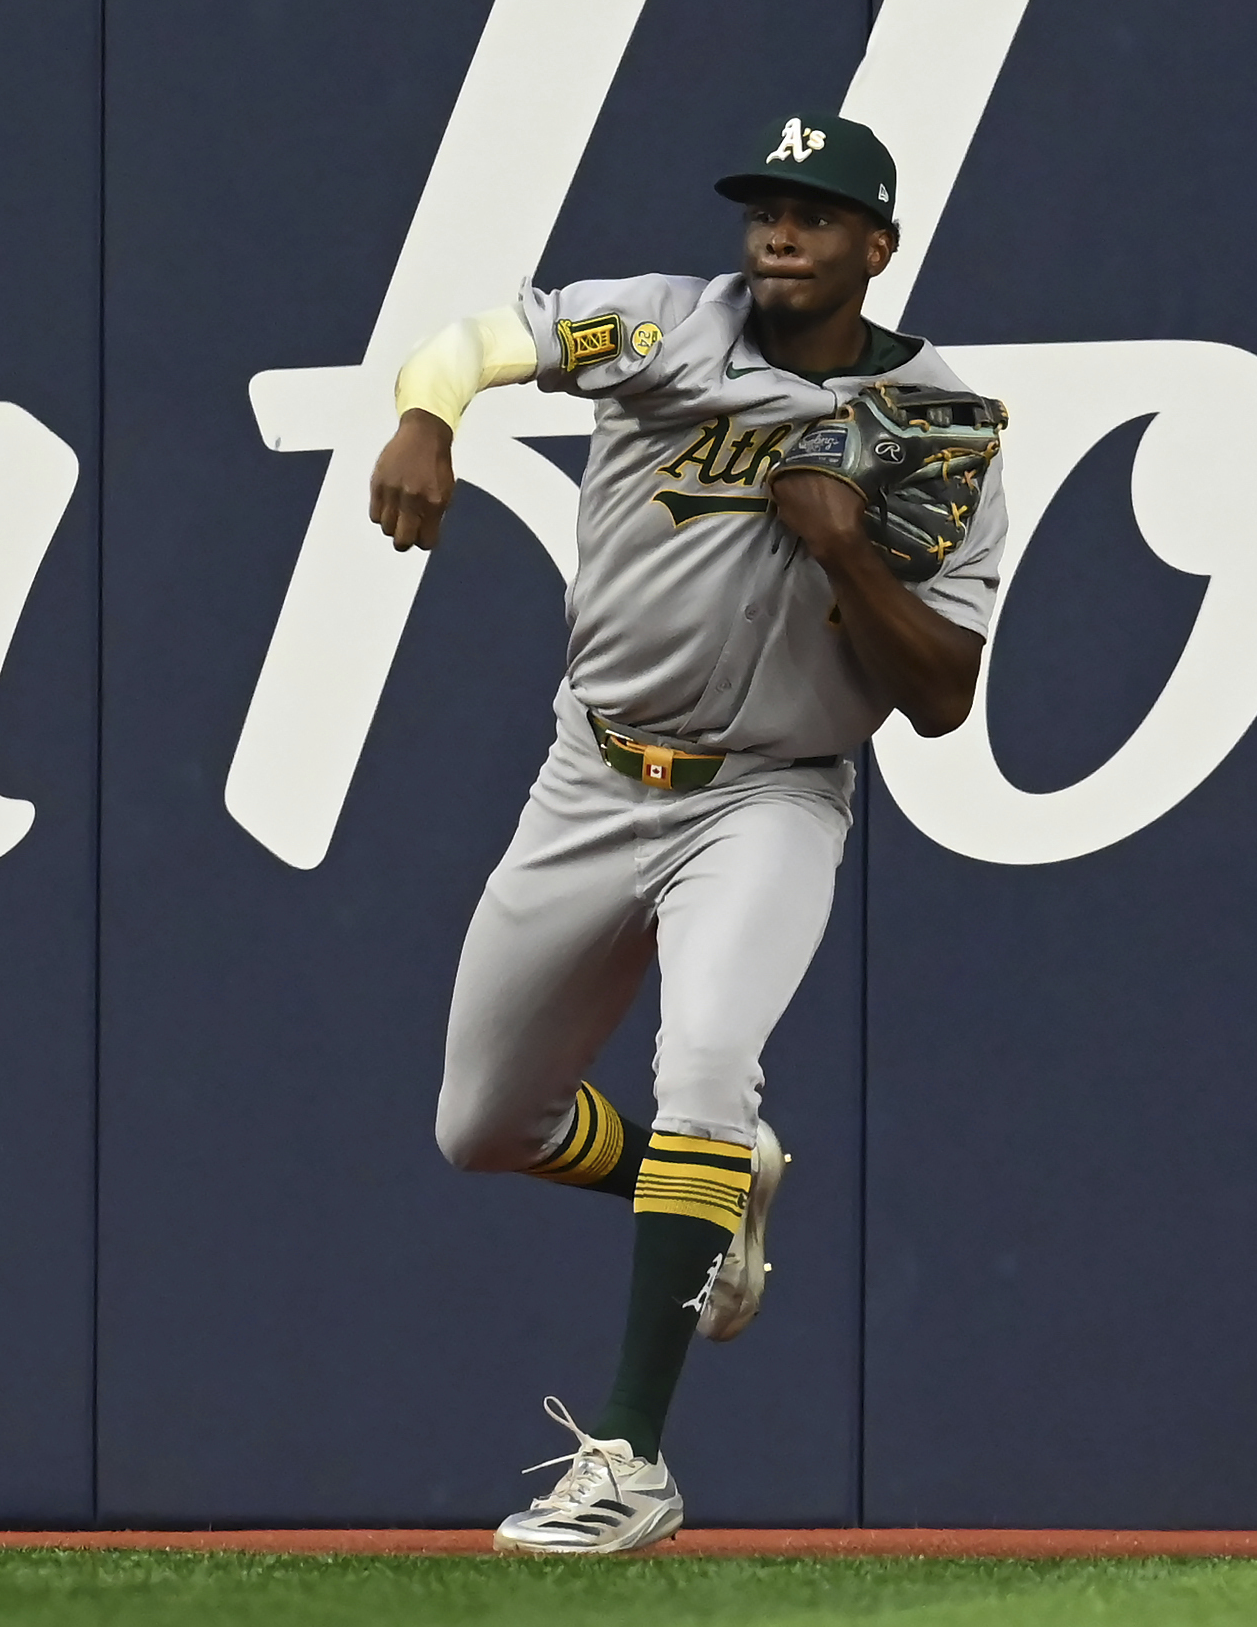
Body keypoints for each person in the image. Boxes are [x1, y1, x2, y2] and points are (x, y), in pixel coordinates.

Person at [368, 110, 1005, 1556]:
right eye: (766, 205)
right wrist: (427, 416)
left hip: (770, 790)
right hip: (591, 777)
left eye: (815, 210)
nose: (778, 228)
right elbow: (471, 343)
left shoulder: (940, 424)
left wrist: (849, 544)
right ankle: (725, 1180)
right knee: (484, 1122)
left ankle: (630, 1460)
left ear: (875, 246)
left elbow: (949, 695)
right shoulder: (658, 325)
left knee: (710, 1058)